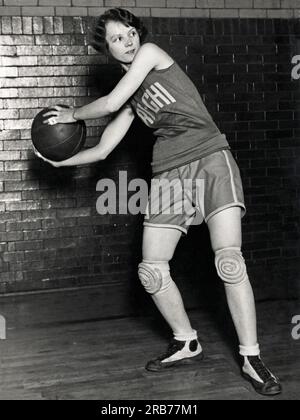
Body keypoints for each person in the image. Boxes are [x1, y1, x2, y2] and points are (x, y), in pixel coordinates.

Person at [34, 8, 282, 397]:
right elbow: (102, 149)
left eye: (129, 32)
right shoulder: (132, 92)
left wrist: (71, 114)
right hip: (168, 171)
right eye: (117, 39)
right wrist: (60, 159)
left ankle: (251, 358)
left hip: (209, 158)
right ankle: (186, 341)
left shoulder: (151, 53)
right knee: (151, 270)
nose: (128, 41)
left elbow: (112, 101)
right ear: (107, 50)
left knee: (229, 261)